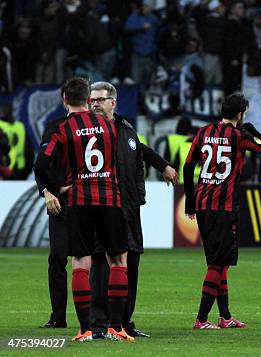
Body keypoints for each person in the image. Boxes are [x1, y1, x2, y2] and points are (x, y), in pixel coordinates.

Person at [34, 77, 133, 342]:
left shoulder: (62, 129)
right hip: (109, 199)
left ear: (65, 99)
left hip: (78, 201)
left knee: (80, 263)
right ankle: (116, 327)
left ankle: (85, 329)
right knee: (118, 261)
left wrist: (57, 187)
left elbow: (41, 165)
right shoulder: (110, 126)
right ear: (89, 100)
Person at [88, 81, 178, 339]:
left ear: (113, 103)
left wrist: (164, 166)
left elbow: (142, 150)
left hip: (128, 206)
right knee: (101, 264)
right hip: (100, 206)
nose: (94, 103)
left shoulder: (126, 128)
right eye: (92, 99)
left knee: (132, 263)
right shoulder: (86, 131)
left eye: (100, 99)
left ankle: (124, 322)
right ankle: (99, 324)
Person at [184, 92, 261, 329]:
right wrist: (252, 131)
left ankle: (225, 316)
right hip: (224, 207)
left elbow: (188, 165)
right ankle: (201, 319)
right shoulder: (239, 136)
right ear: (240, 114)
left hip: (202, 205)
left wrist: (189, 202)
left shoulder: (203, 132)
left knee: (218, 262)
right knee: (217, 264)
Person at [36, 112, 70, 329]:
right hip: (61, 202)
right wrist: (47, 191)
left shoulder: (103, 125)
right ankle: (58, 317)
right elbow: (40, 165)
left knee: (97, 259)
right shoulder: (55, 126)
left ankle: (99, 320)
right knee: (57, 259)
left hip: (89, 201)